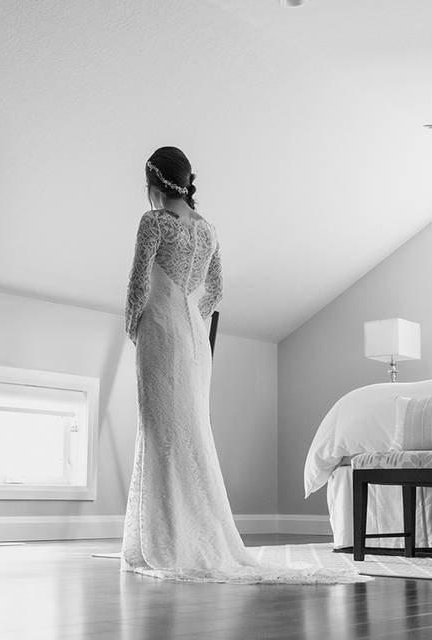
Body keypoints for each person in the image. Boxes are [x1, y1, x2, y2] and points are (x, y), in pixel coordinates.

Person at [121, 146, 369, 584]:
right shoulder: (208, 230)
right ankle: (195, 536)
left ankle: (164, 541)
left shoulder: (155, 222)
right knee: (191, 431)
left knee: (160, 431)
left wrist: (133, 327)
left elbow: (138, 281)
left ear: (154, 183)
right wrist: (192, 320)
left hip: (160, 329)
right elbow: (215, 291)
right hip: (194, 336)